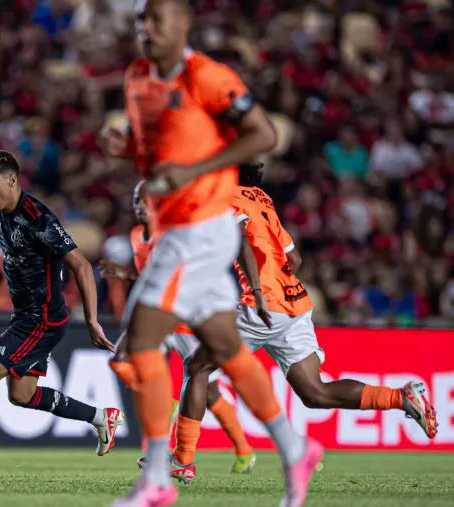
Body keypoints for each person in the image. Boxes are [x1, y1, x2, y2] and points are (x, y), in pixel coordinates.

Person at [100, 1, 321, 505]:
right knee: (224, 351)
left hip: (201, 230)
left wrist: (199, 171)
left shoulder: (210, 77)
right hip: (174, 224)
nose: (147, 29)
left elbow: (261, 135)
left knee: (139, 345)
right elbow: (156, 152)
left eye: (157, 19)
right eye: (141, 20)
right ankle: (295, 448)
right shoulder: (138, 78)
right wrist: (127, 152)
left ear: (184, 24)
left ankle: (157, 479)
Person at [0, 150, 123, 480]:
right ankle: (102, 417)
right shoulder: (2, 214)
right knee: (23, 396)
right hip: (28, 317)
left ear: (12, 180)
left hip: (41, 320)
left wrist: (91, 320)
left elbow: (82, 266)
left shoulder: (38, 219)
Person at [228, 164, 437, 436]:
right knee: (315, 393)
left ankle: (179, 457)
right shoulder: (261, 198)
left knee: (197, 366)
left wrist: (259, 287)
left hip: (261, 304)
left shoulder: (225, 197)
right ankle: (400, 398)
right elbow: (295, 259)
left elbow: (242, 242)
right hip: (293, 301)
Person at [101, 181, 256, 483]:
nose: (138, 206)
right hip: (158, 314)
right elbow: (152, 274)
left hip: (182, 317)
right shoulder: (136, 235)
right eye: (136, 200)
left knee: (206, 391)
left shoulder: (173, 233)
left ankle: (241, 448)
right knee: (120, 360)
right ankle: (169, 405)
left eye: (144, 201)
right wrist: (126, 275)